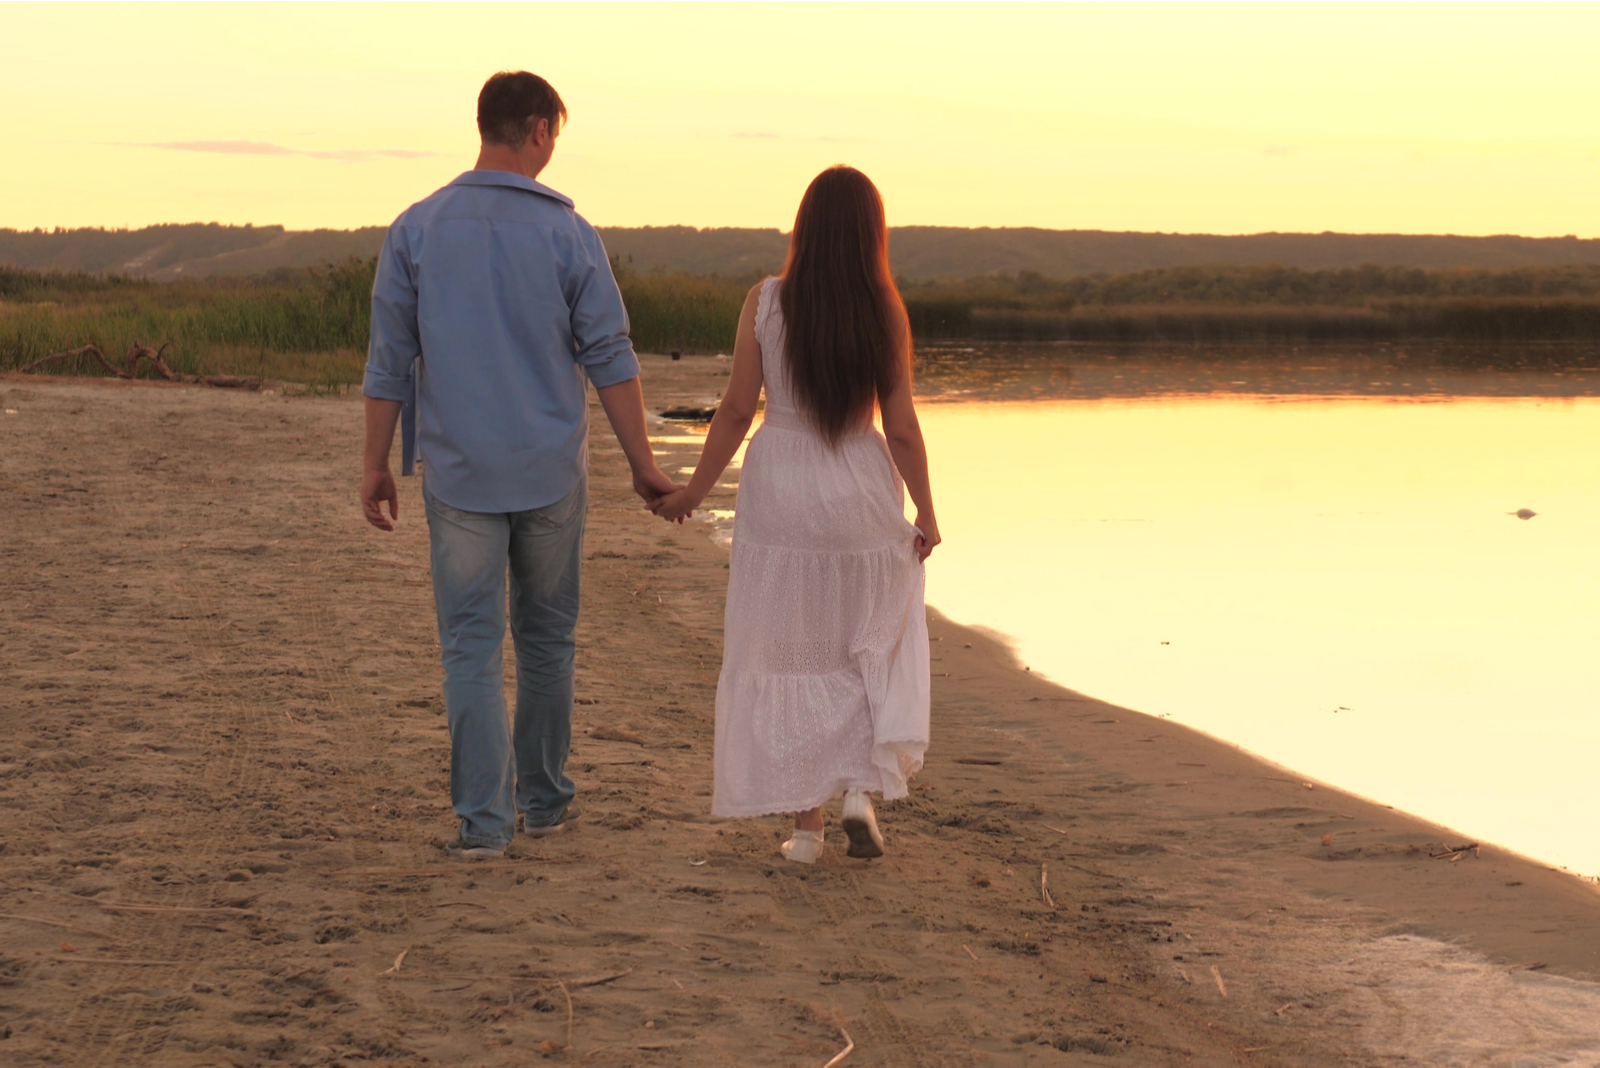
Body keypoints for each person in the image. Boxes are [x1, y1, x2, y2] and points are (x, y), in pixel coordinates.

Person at [360, 71, 679, 859]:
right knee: (546, 640)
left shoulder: (418, 227)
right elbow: (610, 355)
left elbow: (388, 362)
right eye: (554, 137)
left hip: (460, 470)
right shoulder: (568, 234)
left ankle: (483, 825)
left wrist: (375, 465)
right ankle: (544, 802)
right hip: (548, 473)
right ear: (537, 129)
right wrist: (643, 462)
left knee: (470, 646)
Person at [651, 166, 939, 863]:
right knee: (862, 642)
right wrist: (927, 510)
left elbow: (735, 409)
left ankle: (807, 832)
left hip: (782, 488)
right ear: (874, 234)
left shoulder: (766, 300)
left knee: (791, 649)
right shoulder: (884, 310)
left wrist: (693, 491)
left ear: (803, 228)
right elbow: (899, 426)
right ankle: (859, 796)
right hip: (859, 489)